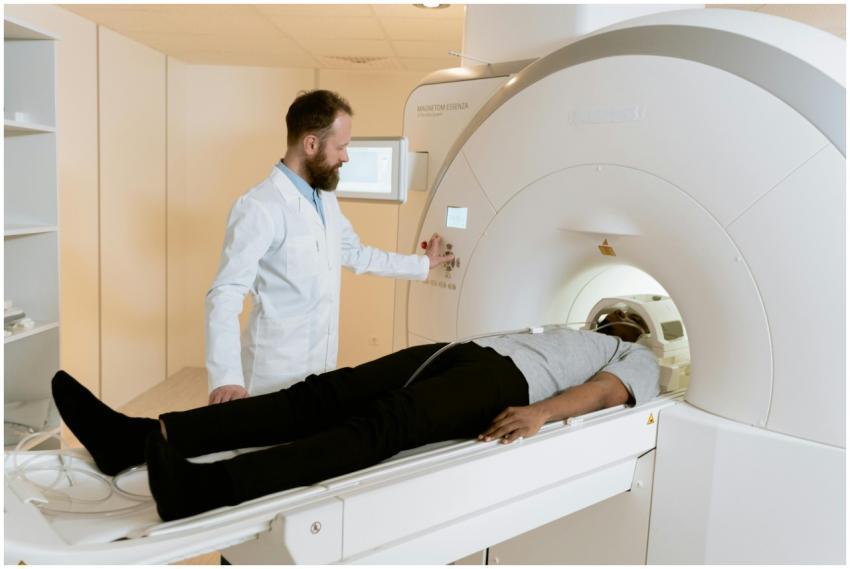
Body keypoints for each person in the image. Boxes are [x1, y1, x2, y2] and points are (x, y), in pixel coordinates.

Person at [50, 311, 660, 522]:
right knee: (319, 394)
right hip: (461, 354)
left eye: (620, 320)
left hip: (506, 383)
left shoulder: (639, 357)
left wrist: (540, 414)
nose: (612, 322)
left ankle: (205, 489)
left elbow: (608, 393)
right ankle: (136, 437)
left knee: (379, 429)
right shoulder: (569, 328)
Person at [206, 89, 453, 404]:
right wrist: (226, 378)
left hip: (319, 366)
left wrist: (421, 264)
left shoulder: (324, 198)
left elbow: (354, 252)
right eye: (341, 147)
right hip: (272, 372)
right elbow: (225, 292)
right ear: (311, 144)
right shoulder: (259, 206)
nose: (345, 157)